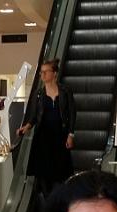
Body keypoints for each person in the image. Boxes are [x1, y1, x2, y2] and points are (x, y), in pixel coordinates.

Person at [17, 58, 76, 197]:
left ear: (54, 73)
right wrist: (26, 127)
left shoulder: (65, 91)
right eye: (41, 73)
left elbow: (72, 113)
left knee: (61, 171)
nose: (42, 75)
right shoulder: (39, 94)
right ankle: (49, 199)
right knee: (43, 172)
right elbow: (33, 116)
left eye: (45, 72)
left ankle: (60, 199)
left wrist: (71, 134)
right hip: (43, 137)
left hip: (60, 135)